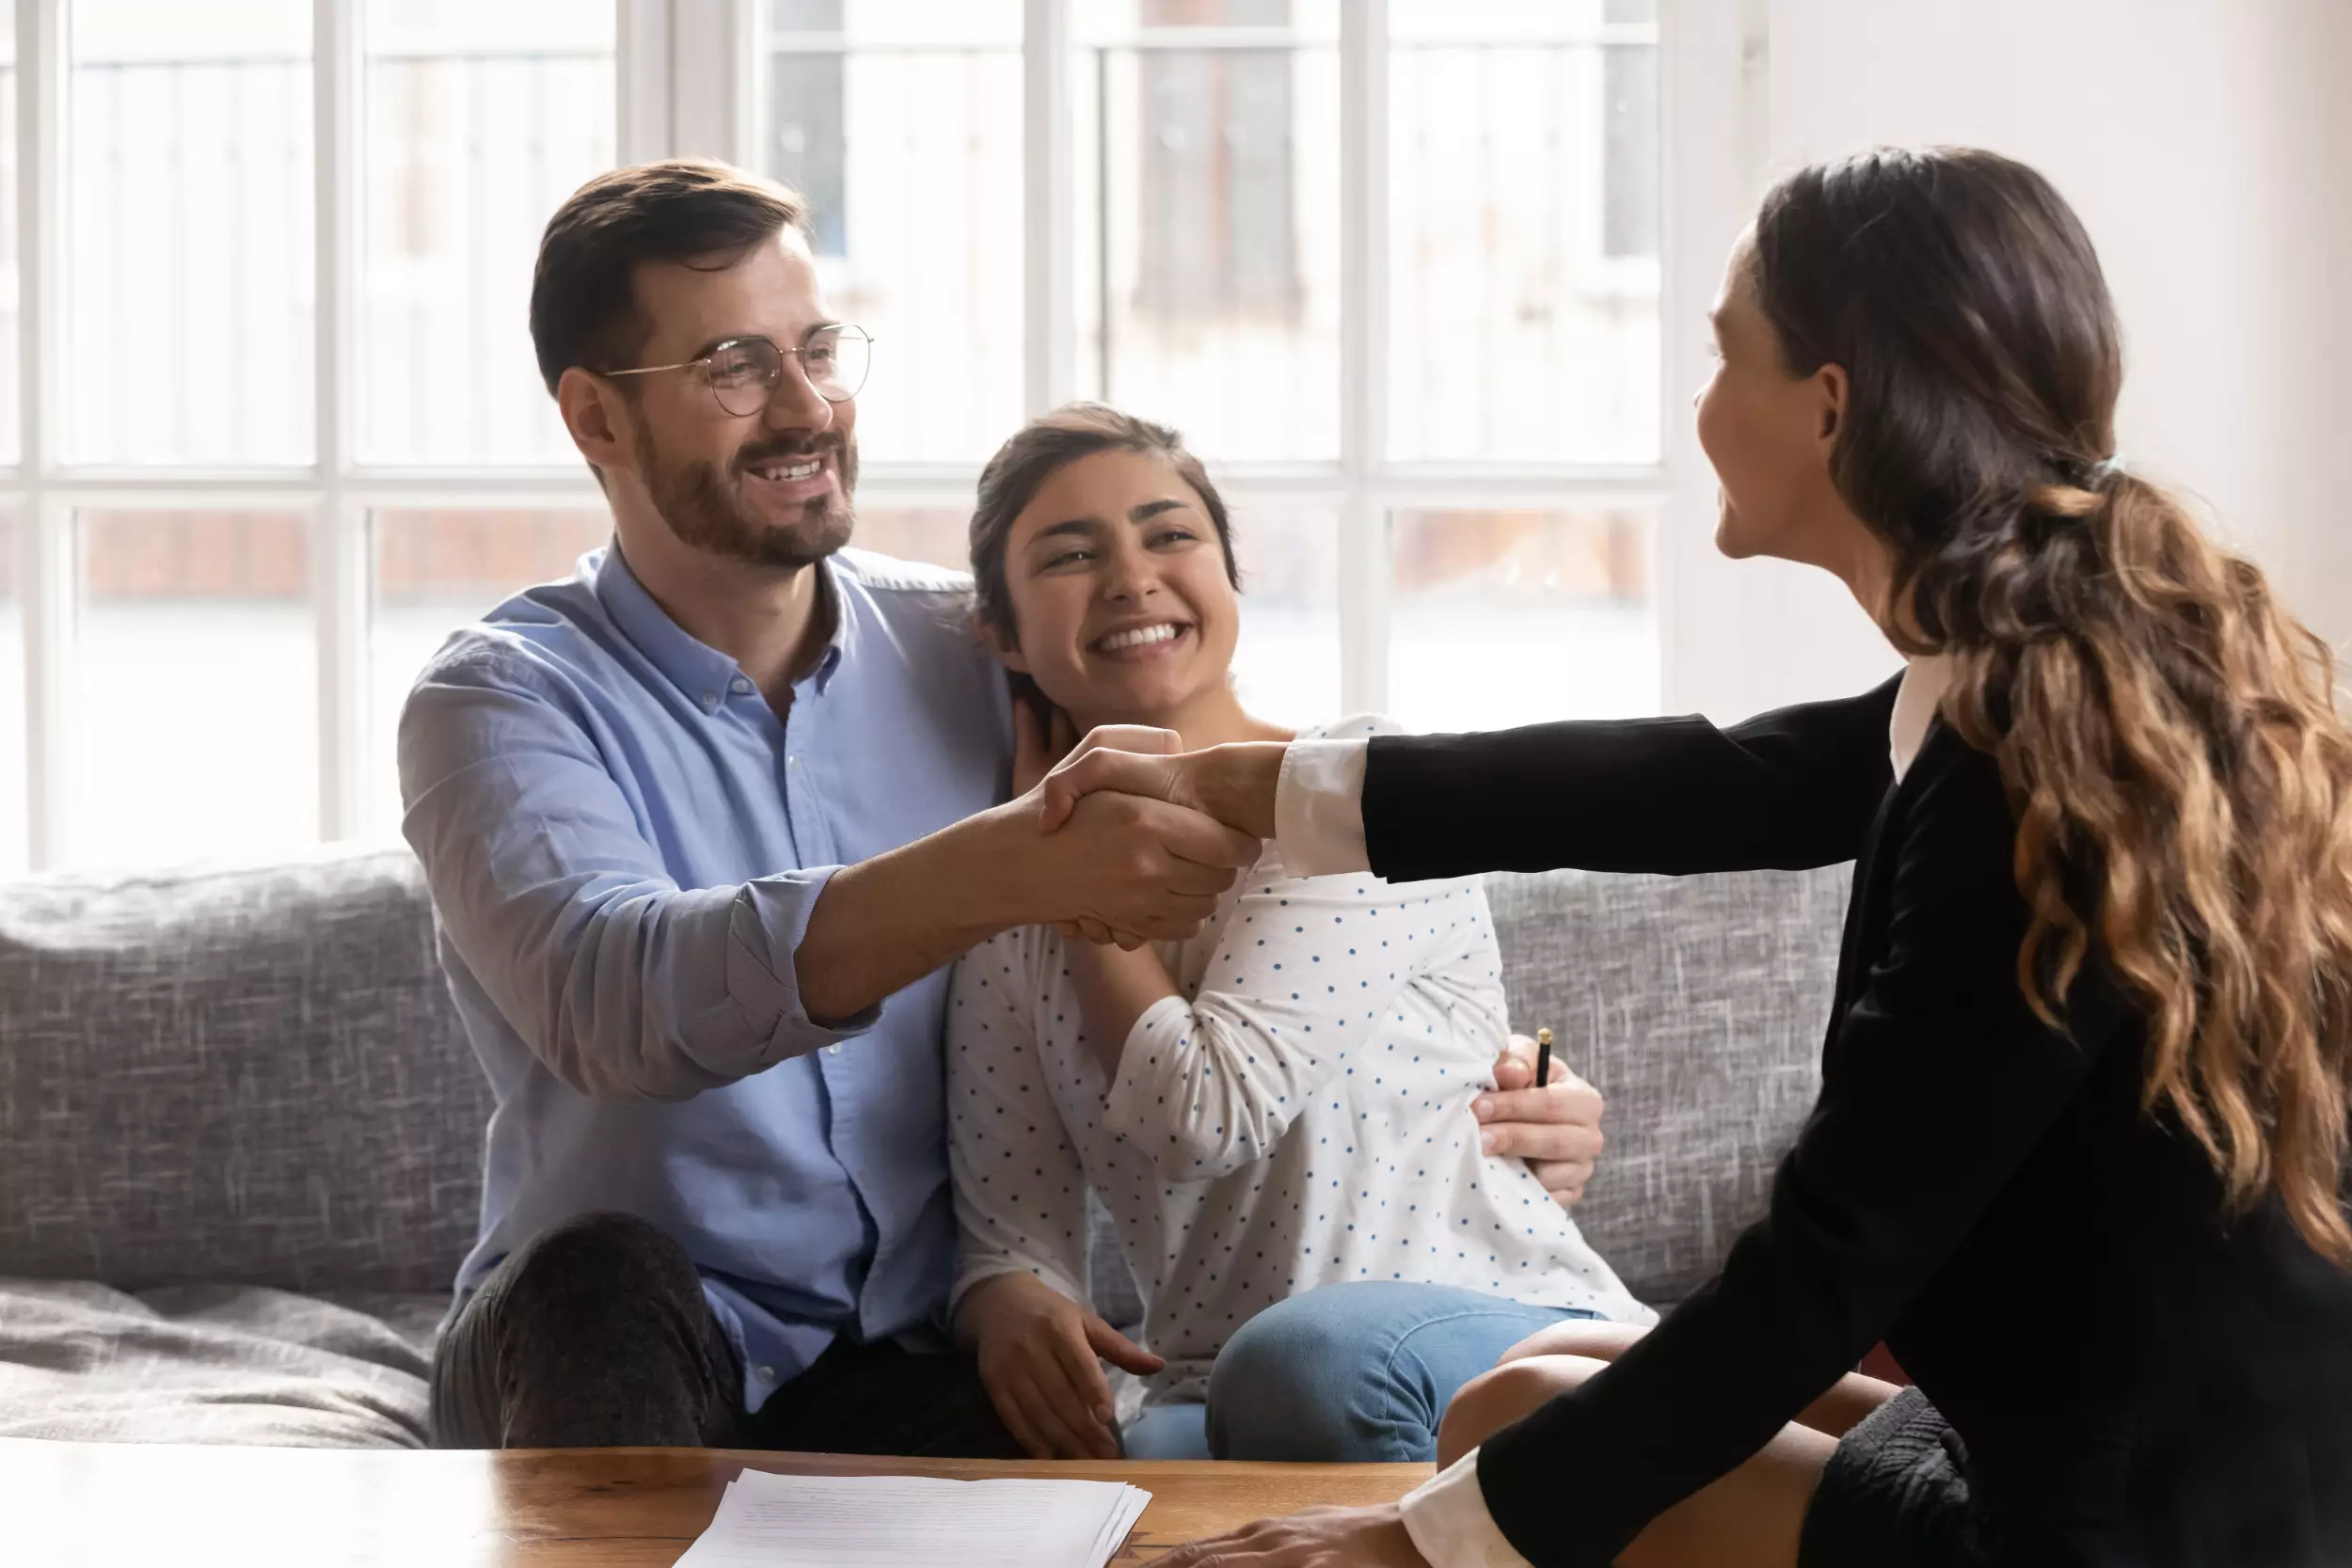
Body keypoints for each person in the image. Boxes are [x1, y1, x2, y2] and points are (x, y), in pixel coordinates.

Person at [1050, 147, 2352, 1567]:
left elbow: (1828, 1260)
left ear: (1831, 405)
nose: (1698, 403)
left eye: (1725, 356)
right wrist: (1260, 787)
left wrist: (1407, 1547)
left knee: (1495, 1481)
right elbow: (1709, 778)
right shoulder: (2029, 674)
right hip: (2115, 1428)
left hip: (2133, 1521)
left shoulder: (2030, 768)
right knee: (1508, 1408)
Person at [400, 158, 1603, 1458]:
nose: (806, 406)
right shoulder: (500, 703)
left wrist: (1507, 1079)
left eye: (818, 348)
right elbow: (616, 998)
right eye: (735, 365)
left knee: (1117, 1466)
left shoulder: (989, 654)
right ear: (596, 419)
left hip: (906, 1347)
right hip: (613, 1326)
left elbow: (1250, 790)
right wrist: (1009, 866)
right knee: (606, 1278)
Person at [943, 405, 1652, 1465]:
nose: (1131, 575)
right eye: (1071, 553)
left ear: (1229, 574)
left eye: (1169, 534)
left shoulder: (1357, 798)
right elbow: (1011, 1231)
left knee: (1307, 1359)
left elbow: (1205, 1110)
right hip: (1215, 1383)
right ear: (999, 632)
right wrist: (999, 1291)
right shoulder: (1003, 934)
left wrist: (1068, 871)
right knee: (1133, 1485)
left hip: (1500, 1338)